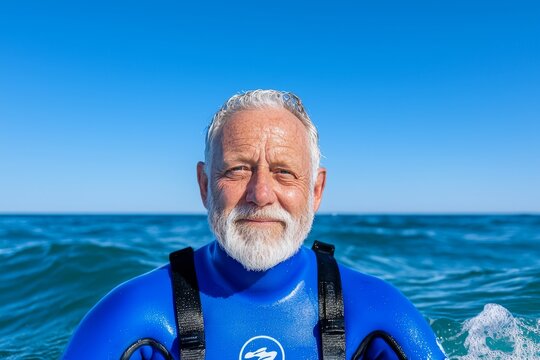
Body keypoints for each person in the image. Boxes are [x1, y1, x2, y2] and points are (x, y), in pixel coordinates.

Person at [64, 90, 446, 359]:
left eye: (284, 172)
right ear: (204, 184)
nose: (260, 193)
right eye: (237, 169)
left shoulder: (377, 314)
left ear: (316, 190)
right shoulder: (137, 315)